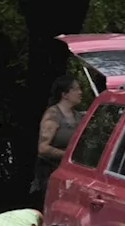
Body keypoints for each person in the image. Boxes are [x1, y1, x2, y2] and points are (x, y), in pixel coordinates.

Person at [30, 75, 84, 206]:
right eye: (76, 89)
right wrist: (68, 155)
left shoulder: (78, 116)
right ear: (65, 94)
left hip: (71, 174)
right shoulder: (53, 115)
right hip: (50, 174)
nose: (80, 92)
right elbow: (43, 148)